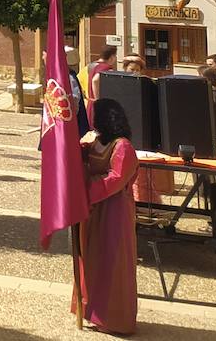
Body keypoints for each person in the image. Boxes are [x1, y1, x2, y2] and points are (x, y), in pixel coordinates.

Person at [76, 98, 139, 335]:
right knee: (93, 259)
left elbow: (116, 179)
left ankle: (115, 319)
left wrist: (85, 190)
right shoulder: (95, 142)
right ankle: (93, 311)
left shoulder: (123, 146)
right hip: (93, 212)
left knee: (113, 264)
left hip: (114, 212)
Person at [86, 45, 118, 116]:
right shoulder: (106, 68)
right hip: (98, 106)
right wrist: (98, 99)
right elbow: (95, 80)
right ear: (112, 57)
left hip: (91, 104)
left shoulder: (95, 67)